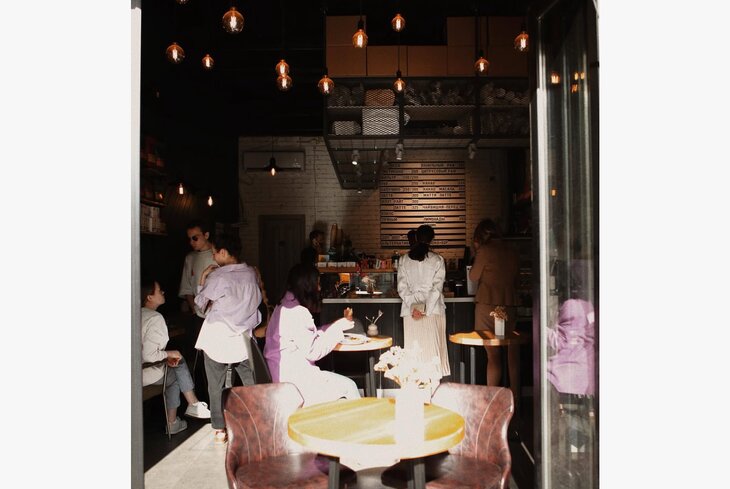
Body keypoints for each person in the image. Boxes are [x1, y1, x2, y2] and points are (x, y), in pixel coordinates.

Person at [194, 232, 262, 443]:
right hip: (242, 339)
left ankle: (219, 429)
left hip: (217, 338)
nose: (213, 257)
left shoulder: (218, 277)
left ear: (223, 252)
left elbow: (200, 305)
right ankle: (258, 421)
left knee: (215, 385)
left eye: (215, 253)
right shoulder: (251, 274)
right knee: (251, 382)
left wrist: (203, 278)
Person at [264, 263, 360, 406]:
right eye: (318, 284)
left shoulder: (283, 306)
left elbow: (306, 335)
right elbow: (313, 351)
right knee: (349, 386)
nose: (319, 288)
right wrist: (337, 330)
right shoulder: (297, 312)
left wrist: (335, 325)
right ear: (308, 286)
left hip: (282, 375)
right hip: (295, 383)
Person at [141, 279, 211, 435]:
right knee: (177, 365)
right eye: (159, 290)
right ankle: (186, 409)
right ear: (149, 297)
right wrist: (170, 354)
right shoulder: (154, 318)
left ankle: (186, 411)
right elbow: (149, 355)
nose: (163, 292)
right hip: (145, 373)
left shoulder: (136, 314)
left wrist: (168, 356)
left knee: (175, 365)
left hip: (136, 371)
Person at [469, 218, 521, 403]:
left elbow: (473, 276)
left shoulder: (485, 251)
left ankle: (491, 398)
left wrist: (476, 252)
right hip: (509, 304)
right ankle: (516, 397)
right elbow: (517, 279)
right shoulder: (512, 250)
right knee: (513, 353)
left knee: (493, 354)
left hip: (487, 305)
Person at [396, 224, 450, 378]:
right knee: (432, 356)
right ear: (432, 239)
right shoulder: (438, 260)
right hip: (433, 312)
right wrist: (425, 309)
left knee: (414, 357)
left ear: (416, 237)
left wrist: (414, 307)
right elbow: (436, 288)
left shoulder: (403, 260)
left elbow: (402, 288)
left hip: (411, 313)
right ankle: (433, 390)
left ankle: (416, 390)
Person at [178, 221, 217, 332]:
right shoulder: (190, 258)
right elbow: (187, 287)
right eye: (189, 239)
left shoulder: (218, 255)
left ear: (206, 235)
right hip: (199, 314)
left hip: (219, 315)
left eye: (195, 238)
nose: (191, 242)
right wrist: (194, 309)